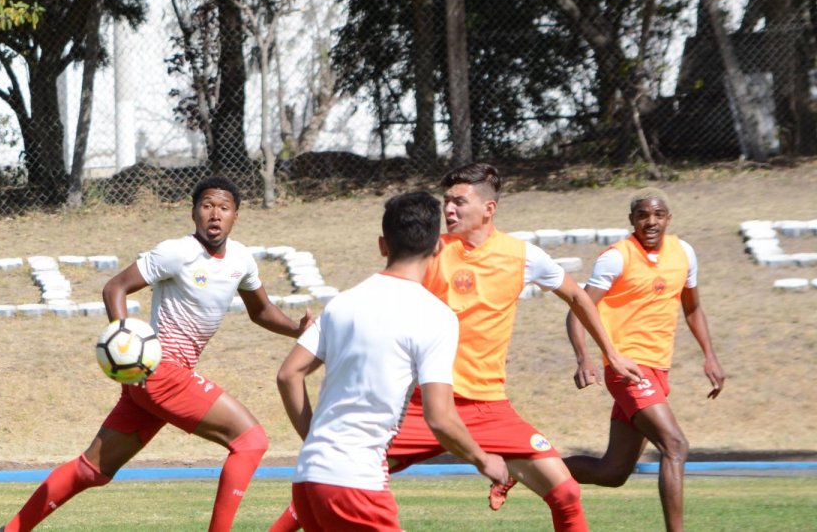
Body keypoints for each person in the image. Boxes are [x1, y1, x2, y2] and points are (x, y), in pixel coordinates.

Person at [270, 162, 643, 532]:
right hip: (424, 405)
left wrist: (609, 353)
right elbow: (389, 295)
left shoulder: (523, 256)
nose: (448, 209)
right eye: (446, 200)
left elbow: (578, 297)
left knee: (566, 494)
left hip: (489, 407)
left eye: (459, 202)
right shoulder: (432, 251)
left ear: (489, 209)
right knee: (338, 475)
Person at [0, 176, 312, 532]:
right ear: (193, 213)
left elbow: (260, 310)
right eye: (206, 206)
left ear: (236, 215)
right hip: (160, 372)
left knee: (91, 470)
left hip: (151, 381)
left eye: (223, 207)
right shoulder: (176, 252)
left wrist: (297, 329)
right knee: (251, 441)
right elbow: (115, 288)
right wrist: (125, 344)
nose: (214, 214)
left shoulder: (241, 260)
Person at [277, 191, 509, 532]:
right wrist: (484, 459)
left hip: (309, 477)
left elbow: (288, 374)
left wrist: (315, 438)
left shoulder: (343, 304)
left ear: (383, 245)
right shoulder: (436, 317)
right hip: (357, 483)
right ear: (438, 248)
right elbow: (440, 418)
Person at [563, 188, 725, 532]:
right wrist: (585, 358)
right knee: (676, 444)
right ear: (632, 220)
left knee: (612, 472)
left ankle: (524, 468)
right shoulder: (617, 257)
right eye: (642, 216)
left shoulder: (684, 253)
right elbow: (577, 310)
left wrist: (709, 356)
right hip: (627, 369)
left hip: (658, 371)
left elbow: (692, 308)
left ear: (668, 218)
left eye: (658, 215)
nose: (650, 222)